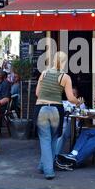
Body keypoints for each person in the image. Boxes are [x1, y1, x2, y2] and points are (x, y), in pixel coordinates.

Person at [35, 51, 84, 180]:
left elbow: (37, 93)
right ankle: (47, 169)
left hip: (41, 108)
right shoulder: (65, 77)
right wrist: (78, 102)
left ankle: (45, 167)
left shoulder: (43, 73)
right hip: (56, 109)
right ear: (64, 62)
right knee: (52, 139)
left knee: (45, 139)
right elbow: (70, 98)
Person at [55, 87, 87, 158]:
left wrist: (78, 106)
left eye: (74, 94)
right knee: (60, 131)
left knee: (63, 131)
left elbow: (81, 117)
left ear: (77, 95)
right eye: (70, 94)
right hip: (62, 123)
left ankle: (55, 155)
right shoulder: (63, 103)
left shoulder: (81, 104)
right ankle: (56, 154)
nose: (72, 95)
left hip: (72, 125)